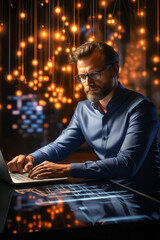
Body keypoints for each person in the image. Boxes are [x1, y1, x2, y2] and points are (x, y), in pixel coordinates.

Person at [7, 41, 160, 195]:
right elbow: (59, 146)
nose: (88, 83)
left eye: (94, 74)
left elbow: (127, 165)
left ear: (114, 70)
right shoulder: (83, 109)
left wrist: (67, 169)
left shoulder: (141, 108)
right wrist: (31, 158)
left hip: (144, 199)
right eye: (82, 76)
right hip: (108, 193)